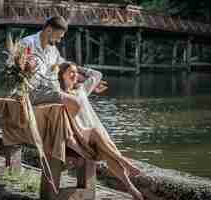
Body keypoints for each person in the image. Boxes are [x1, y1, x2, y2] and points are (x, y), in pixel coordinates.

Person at [57, 62, 145, 200]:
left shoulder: (81, 90)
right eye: (70, 72)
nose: (74, 75)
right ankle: (125, 162)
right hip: (79, 135)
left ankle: (130, 187)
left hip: (95, 134)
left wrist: (78, 69)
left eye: (76, 72)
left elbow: (97, 75)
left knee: (106, 149)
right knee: (96, 132)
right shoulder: (59, 95)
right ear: (61, 75)